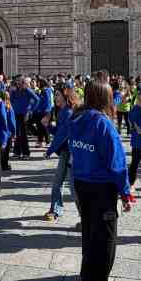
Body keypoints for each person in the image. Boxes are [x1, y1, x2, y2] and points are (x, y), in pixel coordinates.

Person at [69, 79, 134, 281]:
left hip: (81, 184)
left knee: (89, 235)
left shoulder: (77, 118)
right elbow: (117, 163)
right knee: (105, 240)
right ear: (105, 99)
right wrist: (126, 193)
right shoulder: (103, 124)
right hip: (101, 189)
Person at [45, 87, 78, 220]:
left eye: (57, 95)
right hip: (66, 152)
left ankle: (86, 216)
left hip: (72, 153)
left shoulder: (68, 112)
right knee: (58, 182)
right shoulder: (62, 111)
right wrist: (48, 125)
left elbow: (62, 135)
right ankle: (55, 210)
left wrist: (49, 151)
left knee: (74, 188)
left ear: (65, 96)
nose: (55, 98)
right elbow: (58, 132)